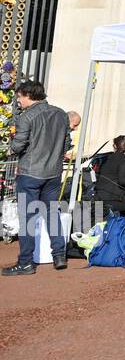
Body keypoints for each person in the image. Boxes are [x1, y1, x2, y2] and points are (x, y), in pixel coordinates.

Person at [4, 80, 71, 275]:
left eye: (20, 97)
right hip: (53, 172)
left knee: (28, 218)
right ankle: (59, 255)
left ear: (28, 95)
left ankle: (26, 262)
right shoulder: (60, 113)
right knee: (52, 213)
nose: (19, 100)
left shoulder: (28, 117)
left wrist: (12, 147)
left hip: (31, 172)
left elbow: (18, 146)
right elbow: (66, 143)